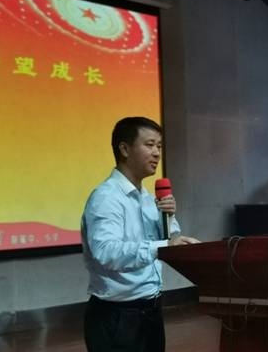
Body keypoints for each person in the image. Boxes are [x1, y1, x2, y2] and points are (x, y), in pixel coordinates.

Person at [81, 116, 200, 352]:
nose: (157, 153)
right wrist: (163, 246)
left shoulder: (147, 198)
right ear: (125, 149)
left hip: (150, 309)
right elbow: (106, 252)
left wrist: (168, 217)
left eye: (159, 146)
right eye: (149, 145)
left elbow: (167, 239)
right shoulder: (106, 197)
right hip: (117, 315)